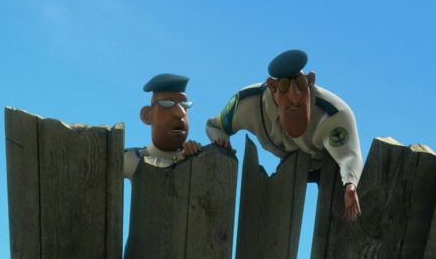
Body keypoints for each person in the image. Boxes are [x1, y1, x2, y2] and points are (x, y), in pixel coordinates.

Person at [206, 50, 363, 220]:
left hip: (327, 168)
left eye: (301, 84)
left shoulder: (333, 112)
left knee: (341, 214)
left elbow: (349, 155)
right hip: (288, 167)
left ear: (311, 81)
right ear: (272, 86)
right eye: (284, 86)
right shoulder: (248, 103)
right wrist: (222, 143)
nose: (295, 97)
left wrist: (350, 184)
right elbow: (215, 126)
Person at [124, 73, 205, 180]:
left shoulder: (201, 157)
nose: (180, 113)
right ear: (146, 116)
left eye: (184, 104)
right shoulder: (132, 159)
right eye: (167, 103)